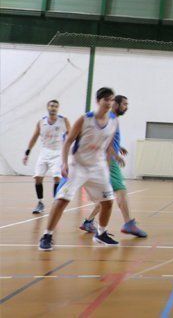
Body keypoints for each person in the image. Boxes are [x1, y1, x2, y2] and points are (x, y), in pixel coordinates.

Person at [39, 88, 122, 251]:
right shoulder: (85, 119)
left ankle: (101, 233)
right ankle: (47, 235)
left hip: (98, 166)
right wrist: (64, 163)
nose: (109, 102)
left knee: (108, 201)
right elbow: (68, 141)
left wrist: (109, 161)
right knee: (62, 199)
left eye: (111, 100)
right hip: (78, 165)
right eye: (106, 99)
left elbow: (107, 145)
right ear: (98, 101)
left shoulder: (113, 122)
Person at [79, 95, 147, 237]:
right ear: (115, 104)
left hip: (103, 160)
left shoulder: (110, 118)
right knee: (121, 190)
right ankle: (128, 223)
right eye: (124, 104)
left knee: (106, 196)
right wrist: (114, 155)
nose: (126, 107)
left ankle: (88, 222)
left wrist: (118, 147)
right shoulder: (110, 118)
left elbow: (105, 138)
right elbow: (103, 141)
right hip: (107, 161)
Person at [23, 100, 69, 215]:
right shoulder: (41, 122)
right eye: (51, 106)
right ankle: (40, 203)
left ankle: (55, 203)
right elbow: (34, 138)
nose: (53, 108)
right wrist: (27, 153)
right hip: (44, 152)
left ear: (58, 109)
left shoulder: (63, 120)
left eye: (55, 106)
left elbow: (71, 134)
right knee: (38, 177)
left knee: (57, 177)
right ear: (47, 107)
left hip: (58, 152)